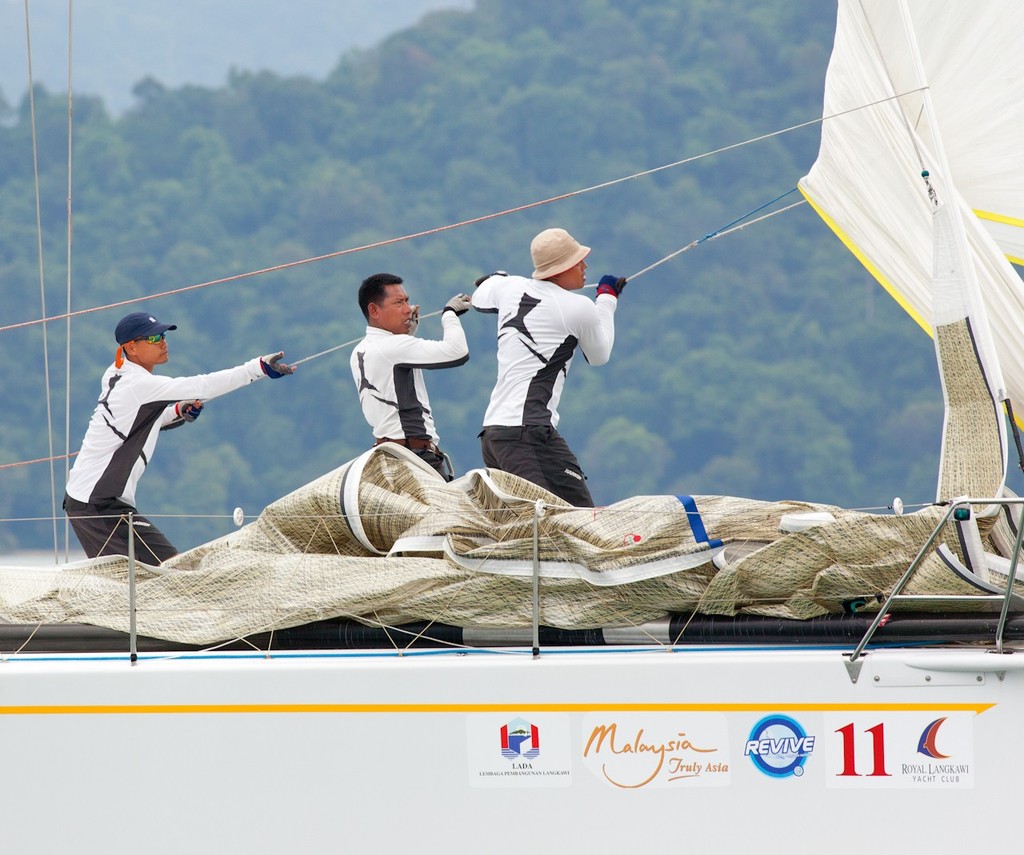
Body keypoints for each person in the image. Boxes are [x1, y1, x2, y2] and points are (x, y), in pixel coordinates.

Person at [64, 310, 296, 563]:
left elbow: (140, 419)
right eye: (153, 339)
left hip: (91, 499)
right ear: (131, 347)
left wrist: (177, 410)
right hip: (98, 502)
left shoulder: (118, 372)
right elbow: (202, 385)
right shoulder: (137, 385)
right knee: (171, 569)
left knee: (137, 582)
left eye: (163, 335)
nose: (163, 342)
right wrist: (257, 369)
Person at [472, 227, 626, 506]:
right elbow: (599, 355)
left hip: (494, 434)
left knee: (534, 527)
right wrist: (606, 299)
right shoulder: (577, 306)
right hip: (527, 433)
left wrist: (497, 278)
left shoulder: (510, 287)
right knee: (578, 519)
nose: (585, 265)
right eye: (578, 261)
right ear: (561, 268)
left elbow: (481, 294)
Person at [351, 272, 471, 480]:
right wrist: (450, 314)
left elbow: (394, 372)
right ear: (374, 310)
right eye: (398, 303)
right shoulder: (393, 347)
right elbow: (458, 352)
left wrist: (406, 334)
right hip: (416, 459)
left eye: (407, 301)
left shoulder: (359, 351)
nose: (408, 309)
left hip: (387, 457)